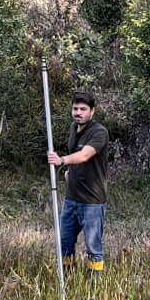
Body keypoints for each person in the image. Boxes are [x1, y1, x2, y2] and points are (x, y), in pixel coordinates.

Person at [48, 91, 109, 272]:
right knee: (65, 243)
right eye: (75, 109)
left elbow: (84, 155)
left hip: (92, 201)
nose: (78, 113)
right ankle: (69, 279)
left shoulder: (99, 132)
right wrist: (69, 171)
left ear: (92, 111)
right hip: (71, 199)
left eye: (83, 109)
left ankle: (94, 287)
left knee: (93, 248)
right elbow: (77, 153)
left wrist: (62, 161)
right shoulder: (73, 128)